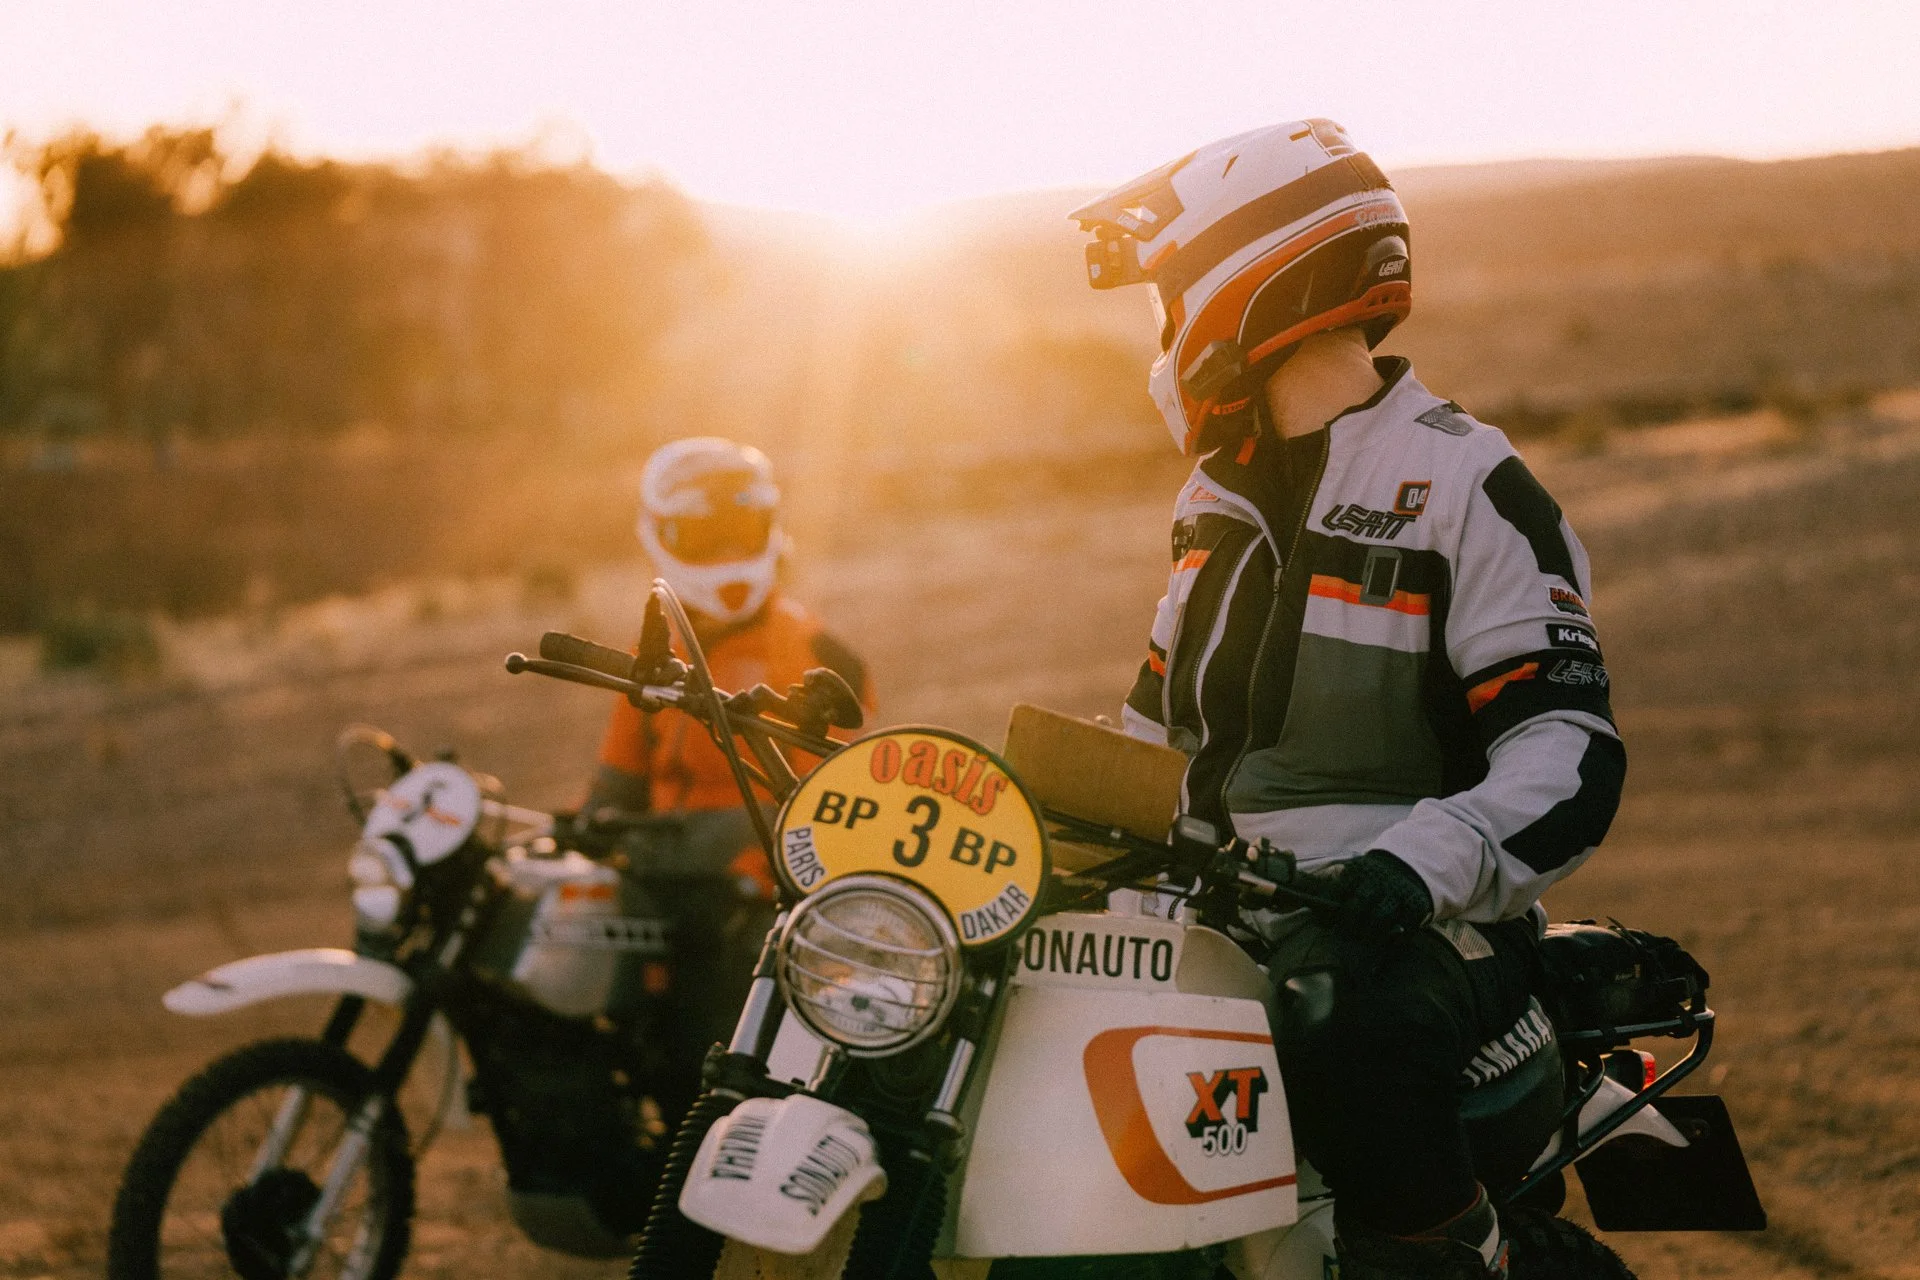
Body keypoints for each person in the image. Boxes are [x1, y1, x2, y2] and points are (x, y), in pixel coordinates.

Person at [1073, 121, 1624, 1279]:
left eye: (1171, 296)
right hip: (1227, 910)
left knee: (1340, 1007)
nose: (1166, 335)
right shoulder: (1213, 502)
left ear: (1252, 280)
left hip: (1419, 929)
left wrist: (1421, 863)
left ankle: (1456, 1253)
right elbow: (1158, 730)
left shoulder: (1467, 482)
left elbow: (1568, 749)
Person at [583, 435, 873, 886]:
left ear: (770, 530)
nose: (728, 554)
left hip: (763, 899)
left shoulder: (824, 657)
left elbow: (834, 812)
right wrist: (583, 827)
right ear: (659, 536)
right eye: (705, 536)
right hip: (653, 885)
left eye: (741, 532)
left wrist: (753, 869)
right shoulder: (655, 652)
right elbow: (618, 780)